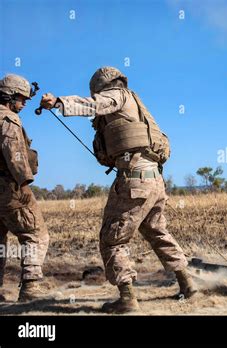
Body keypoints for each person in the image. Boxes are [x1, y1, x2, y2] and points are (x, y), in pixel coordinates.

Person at [40, 67, 196, 313]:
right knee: (156, 231)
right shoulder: (135, 105)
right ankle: (189, 285)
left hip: (134, 181)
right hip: (154, 179)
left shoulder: (117, 95)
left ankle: (127, 298)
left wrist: (59, 102)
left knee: (112, 239)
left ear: (102, 86)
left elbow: (93, 105)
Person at [0, 74, 50, 302]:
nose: (25, 103)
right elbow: (14, 151)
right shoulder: (9, 119)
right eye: (22, 99)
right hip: (10, 187)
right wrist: (24, 180)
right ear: (11, 97)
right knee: (35, 234)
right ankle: (30, 287)